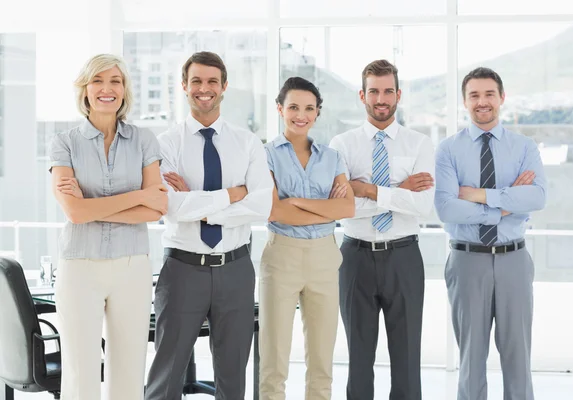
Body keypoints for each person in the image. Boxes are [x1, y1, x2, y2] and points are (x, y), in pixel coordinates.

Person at [144, 51, 273, 400]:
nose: (204, 88)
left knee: (233, 377)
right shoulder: (164, 144)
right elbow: (169, 204)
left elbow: (262, 204)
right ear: (184, 86)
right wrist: (232, 195)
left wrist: (199, 204)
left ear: (224, 86)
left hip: (235, 269)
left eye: (212, 81)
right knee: (166, 375)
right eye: (196, 81)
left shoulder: (247, 142)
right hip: (182, 270)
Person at [49, 54, 167, 400]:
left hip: (132, 266)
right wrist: (139, 195)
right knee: (80, 371)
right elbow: (74, 213)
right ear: (85, 90)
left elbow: (156, 208)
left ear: (124, 90)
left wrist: (92, 207)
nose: (107, 88)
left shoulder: (145, 140)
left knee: (129, 370)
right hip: (79, 266)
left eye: (115, 81)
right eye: (98, 80)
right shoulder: (64, 142)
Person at [434, 67, 547, 400]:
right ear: (464, 102)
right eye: (474, 95)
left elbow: (537, 197)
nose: (482, 102)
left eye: (488, 94)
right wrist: (509, 201)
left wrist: (481, 195)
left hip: (513, 259)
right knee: (470, 360)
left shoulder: (524, 147)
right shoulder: (448, 150)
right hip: (467, 260)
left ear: (501, 98)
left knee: (517, 357)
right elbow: (447, 208)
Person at [329, 59, 434, 400]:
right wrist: (399, 190)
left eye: (388, 90)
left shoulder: (418, 144)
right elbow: (342, 207)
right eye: (374, 91)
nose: (381, 98)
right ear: (362, 95)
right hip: (354, 257)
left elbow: (422, 207)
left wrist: (370, 189)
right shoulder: (342, 145)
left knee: (406, 357)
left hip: (403, 256)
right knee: (358, 356)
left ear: (399, 94)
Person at [259, 77, 355, 400]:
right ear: (280, 109)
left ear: (317, 113)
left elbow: (348, 207)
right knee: (274, 360)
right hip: (281, 256)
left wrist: (297, 202)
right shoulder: (267, 155)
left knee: (321, 363)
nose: (301, 115)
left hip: (325, 258)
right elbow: (274, 211)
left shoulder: (331, 157)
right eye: (294, 107)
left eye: (309, 108)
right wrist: (327, 209)